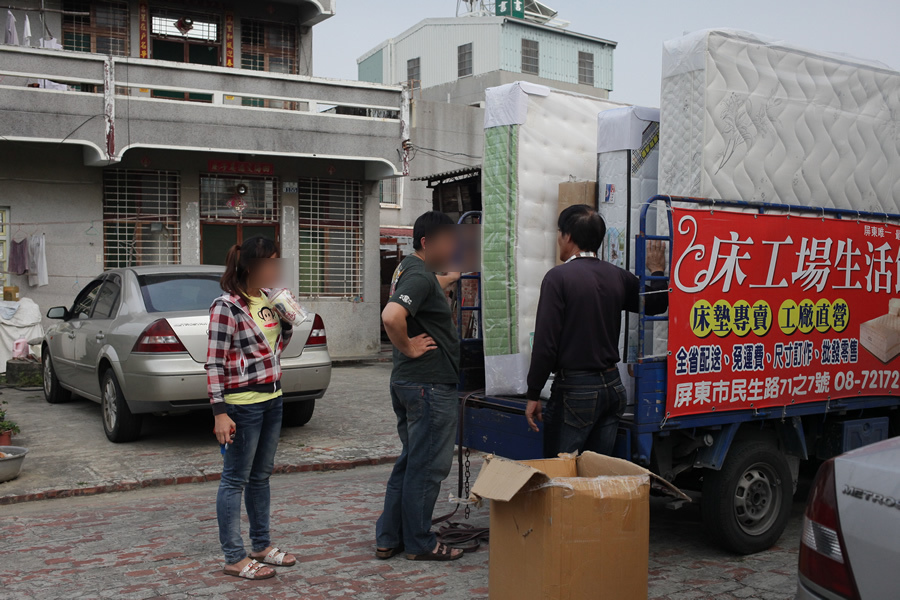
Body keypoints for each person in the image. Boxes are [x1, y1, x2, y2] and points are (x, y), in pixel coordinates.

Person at [525, 204, 669, 457]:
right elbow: (656, 303)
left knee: (561, 475)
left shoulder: (557, 278)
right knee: (596, 475)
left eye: (559, 232)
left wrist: (533, 393)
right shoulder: (617, 276)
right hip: (612, 388)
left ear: (567, 236)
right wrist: (657, 271)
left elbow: (546, 344)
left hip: (576, 390)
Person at [376, 211, 464, 562]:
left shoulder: (412, 270)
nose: (453, 248)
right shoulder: (419, 275)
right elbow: (391, 315)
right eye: (447, 241)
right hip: (428, 385)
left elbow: (430, 287)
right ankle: (420, 542)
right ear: (427, 242)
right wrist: (409, 347)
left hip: (411, 383)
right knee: (427, 467)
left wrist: (453, 278)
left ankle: (389, 537)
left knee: (412, 461)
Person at [207, 237, 296, 580]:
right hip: (241, 406)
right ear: (249, 267)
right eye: (270, 263)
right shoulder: (226, 307)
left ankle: (261, 545)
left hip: (273, 399)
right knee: (234, 479)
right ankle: (234, 556)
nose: (276, 269)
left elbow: (274, 349)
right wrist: (219, 411)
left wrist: (286, 320)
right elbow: (214, 363)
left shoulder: (268, 299)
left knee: (261, 476)